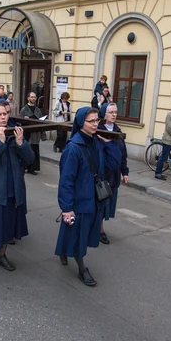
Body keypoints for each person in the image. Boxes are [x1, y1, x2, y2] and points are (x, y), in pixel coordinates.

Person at [55, 107, 121, 287]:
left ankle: (63, 250)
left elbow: (113, 164)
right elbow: (66, 180)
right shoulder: (73, 148)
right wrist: (66, 208)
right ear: (80, 123)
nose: (95, 124)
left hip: (94, 199)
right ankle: (82, 269)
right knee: (79, 235)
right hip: (79, 201)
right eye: (90, 121)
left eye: (96, 120)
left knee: (75, 232)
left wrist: (109, 143)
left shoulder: (97, 143)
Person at [0, 103, 35, 271]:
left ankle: (1, 254)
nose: (3, 117)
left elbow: (30, 159)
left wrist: (20, 143)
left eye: (5, 114)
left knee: (9, 226)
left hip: (14, 188)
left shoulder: (14, 133)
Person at [98, 103, 129, 244]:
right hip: (103, 174)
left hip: (114, 176)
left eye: (115, 112)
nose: (114, 114)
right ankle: (99, 230)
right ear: (104, 114)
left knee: (108, 203)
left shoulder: (118, 131)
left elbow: (123, 154)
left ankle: (98, 227)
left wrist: (125, 172)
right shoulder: (98, 131)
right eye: (111, 112)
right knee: (100, 202)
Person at [20, 92, 43, 175]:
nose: (33, 98)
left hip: (35, 133)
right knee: (27, 150)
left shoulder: (38, 110)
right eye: (32, 97)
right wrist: (25, 119)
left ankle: (32, 168)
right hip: (28, 133)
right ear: (28, 98)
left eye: (34, 97)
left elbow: (40, 120)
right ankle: (25, 166)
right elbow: (20, 121)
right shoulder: (24, 109)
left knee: (35, 150)